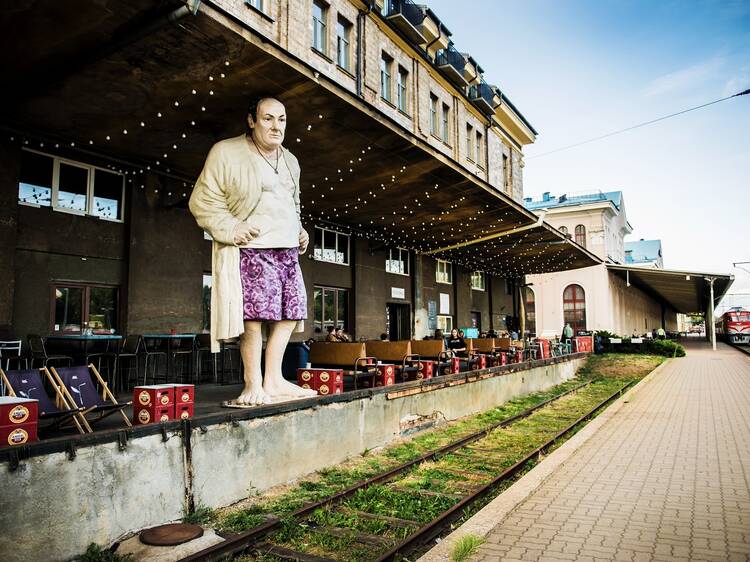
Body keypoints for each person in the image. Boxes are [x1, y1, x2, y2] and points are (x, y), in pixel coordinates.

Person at [189, 96, 316, 406]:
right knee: (254, 316)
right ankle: (252, 382)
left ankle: (273, 378)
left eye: (281, 119)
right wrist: (231, 228)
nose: (276, 126)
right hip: (252, 247)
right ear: (252, 120)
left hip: (286, 250)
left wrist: (299, 230)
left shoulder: (291, 160)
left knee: (291, 311)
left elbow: (292, 203)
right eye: (268, 118)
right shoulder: (226, 152)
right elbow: (202, 200)